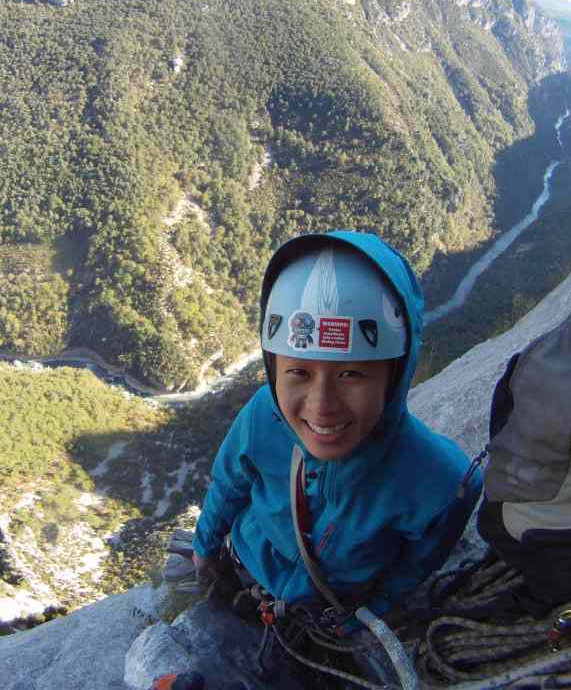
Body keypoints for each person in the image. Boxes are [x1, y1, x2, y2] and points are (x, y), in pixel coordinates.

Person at [191, 231, 482, 678]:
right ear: (273, 369)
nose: (321, 405)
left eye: (351, 373)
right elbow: (230, 481)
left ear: (396, 374)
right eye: (298, 373)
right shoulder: (262, 416)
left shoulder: (443, 484)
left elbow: (415, 564)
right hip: (249, 571)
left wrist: (368, 609)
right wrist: (205, 547)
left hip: (331, 613)